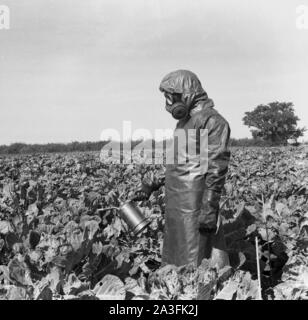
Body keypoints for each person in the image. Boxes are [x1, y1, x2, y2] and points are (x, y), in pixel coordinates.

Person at [133, 70, 231, 269]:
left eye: (171, 97)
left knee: (194, 260)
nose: (168, 104)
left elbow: (216, 168)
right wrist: (148, 185)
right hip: (177, 204)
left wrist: (209, 209)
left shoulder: (211, 121)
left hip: (194, 205)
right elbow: (176, 160)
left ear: (185, 94)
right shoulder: (184, 123)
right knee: (174, 258)